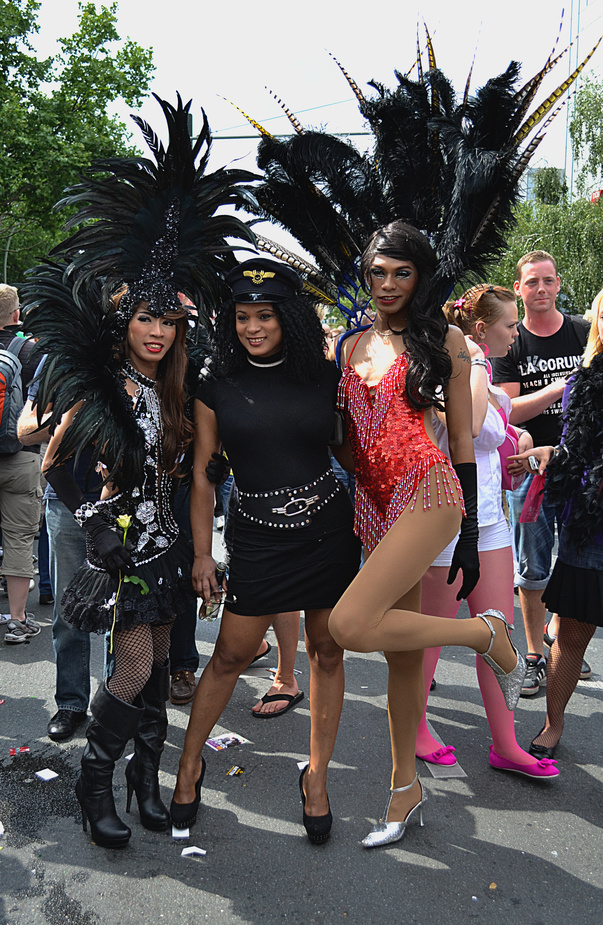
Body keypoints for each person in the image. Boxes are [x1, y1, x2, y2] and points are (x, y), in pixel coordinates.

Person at [329, 221, 526, 848]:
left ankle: (483, 632)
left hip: (430, 489)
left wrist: (467, 531)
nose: (388, 284)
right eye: (378, 272)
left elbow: (464, 438)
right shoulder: (346, 343)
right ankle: (403, 788)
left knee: (349, 624)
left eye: (401, 272)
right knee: (402, 658)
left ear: (420, 277)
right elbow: (342, 434)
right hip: (374, 501)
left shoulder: (442, 340)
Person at [170, 257, 361, 844]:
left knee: (327, 651)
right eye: (242, 316)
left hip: (328, 535)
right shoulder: (215, 384)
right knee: (229, 654)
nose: (252, 327)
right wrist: (204, 554)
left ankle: (318, 777)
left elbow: (354, 456)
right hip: (255, 538)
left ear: (289, 319)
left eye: (265, 316)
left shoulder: (325, 378)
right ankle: (189, 765)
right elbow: (203, 476)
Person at [42, 291, 196, 848]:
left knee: (157, 660)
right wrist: (96, 525)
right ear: (124, 324)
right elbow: (53, 463)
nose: (157, 331)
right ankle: (95, 783)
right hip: (121, 546)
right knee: (132, 666)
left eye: (168, 321)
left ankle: (143, 775)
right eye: (145, 319)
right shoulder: (104, 386)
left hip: (164, 546)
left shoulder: (172, 386)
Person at [417, 284, 558, 779]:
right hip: (445, 523)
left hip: (491, 523)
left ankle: (506, 743)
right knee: (432, 635)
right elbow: (473, 425)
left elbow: (505, 416)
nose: (516, 334)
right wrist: (474, 360)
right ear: (481, 329)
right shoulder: (451, 373)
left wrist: (524, 439)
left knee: (499, 634)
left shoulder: (488, 379)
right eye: (509, 325)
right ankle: (416, 728)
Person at [490, 251, 591, 695]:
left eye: (548, 281)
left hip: (581, 470)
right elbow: (507, 408)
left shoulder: (583, 332)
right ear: (519, 288)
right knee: (532, 565)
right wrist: (558, 388)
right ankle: (533, 654)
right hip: (528, 468)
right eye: (532, 282)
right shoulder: (513, 341)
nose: (542, 289)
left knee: (574, 561)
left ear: (558, 283)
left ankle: (560, 641)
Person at [512, 287, 603, 759]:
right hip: (591, 526)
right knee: (571, 632)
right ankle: (554, 722)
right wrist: (552, 453)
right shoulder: (585, 381)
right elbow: (576, 446)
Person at [0, 284, 42, 644]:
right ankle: (17, 619)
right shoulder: (32, 351)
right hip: (20, 456)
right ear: (16, 315)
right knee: (19, 538)